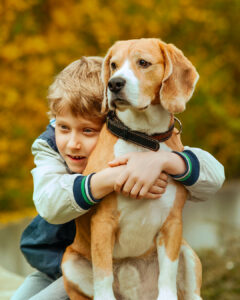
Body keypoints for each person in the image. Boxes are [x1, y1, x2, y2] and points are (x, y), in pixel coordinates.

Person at [12, 56, 225, 300]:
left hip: (125, 267)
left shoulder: (140, 140)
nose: (73, 143)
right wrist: (111, 177)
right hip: (61, 262)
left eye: (88, 130)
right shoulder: (49, 146)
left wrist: (165, 161)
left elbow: (214, 175)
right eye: (63, 127)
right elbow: (50, 203)